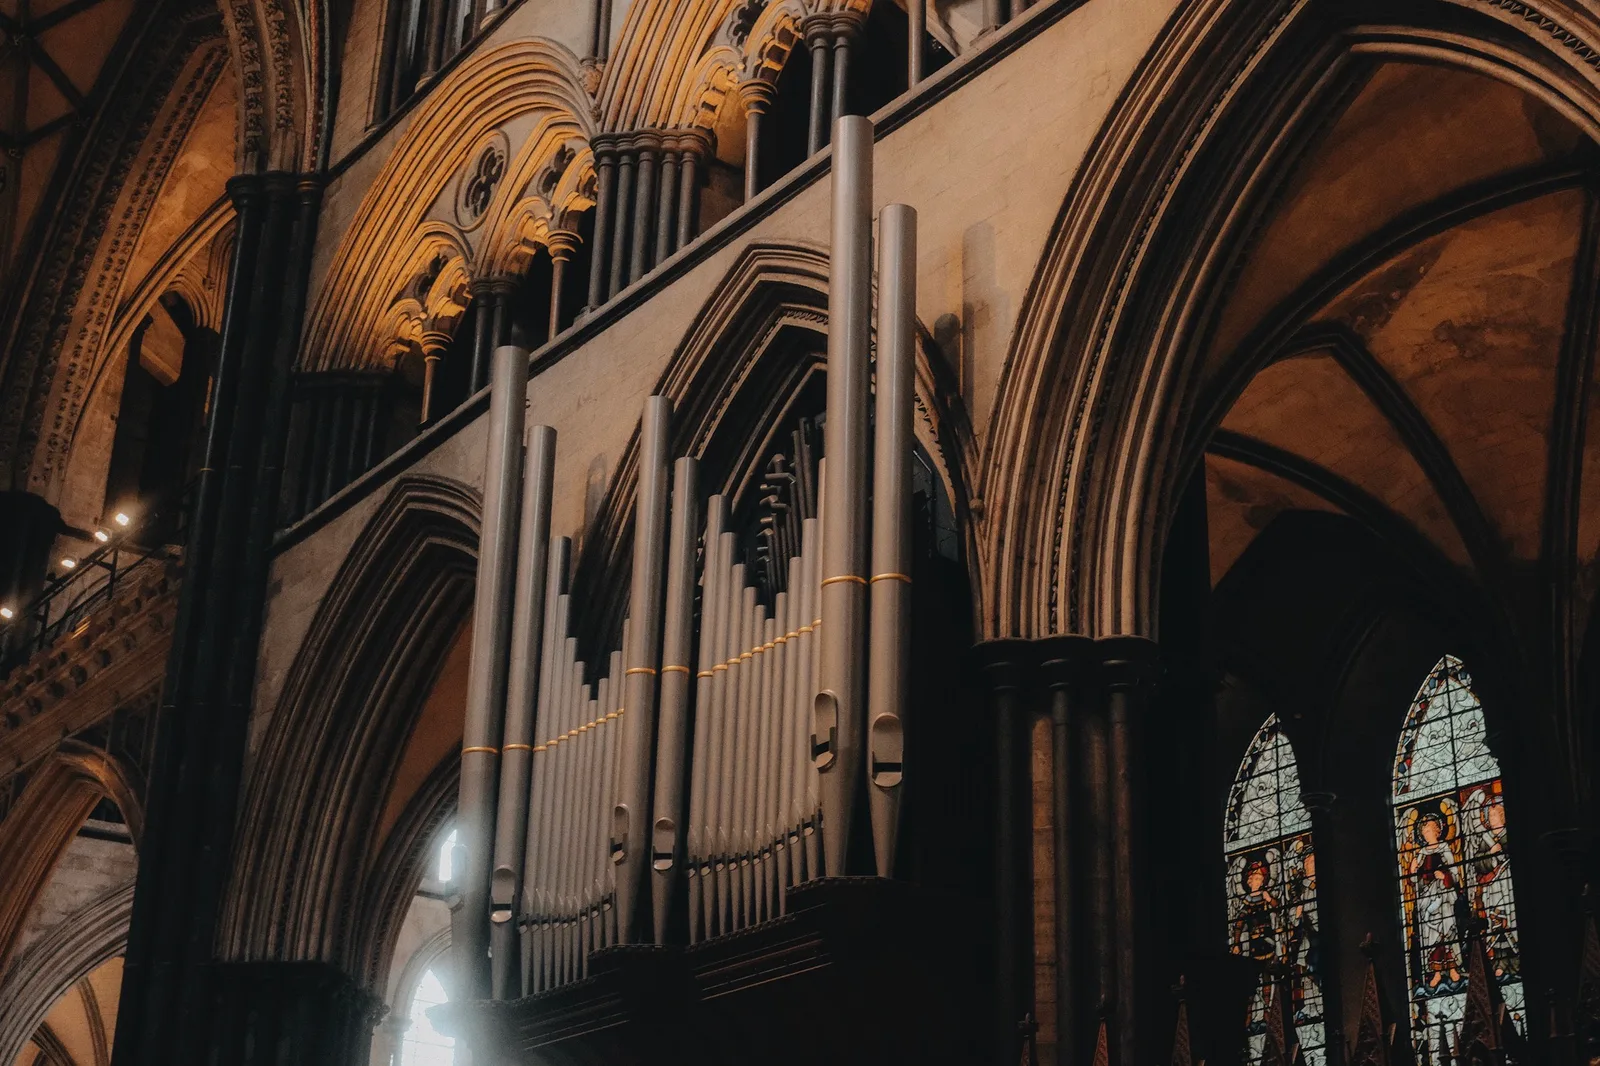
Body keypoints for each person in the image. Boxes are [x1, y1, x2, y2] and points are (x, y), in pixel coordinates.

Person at [1409, 812, 1462, 991]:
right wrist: (1412, 871)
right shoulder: (1421, 854)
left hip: (1444, 897)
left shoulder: (1445, 849)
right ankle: (1437, 972)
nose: (1426, 832)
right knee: (1432, 937)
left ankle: (1453, 969)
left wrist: (1444, 876)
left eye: (1429, 829)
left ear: (1438, 831)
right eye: (1424, 830)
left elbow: (1455, 874)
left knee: (1447, 932)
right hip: (1427, 899)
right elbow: (1415, 882)